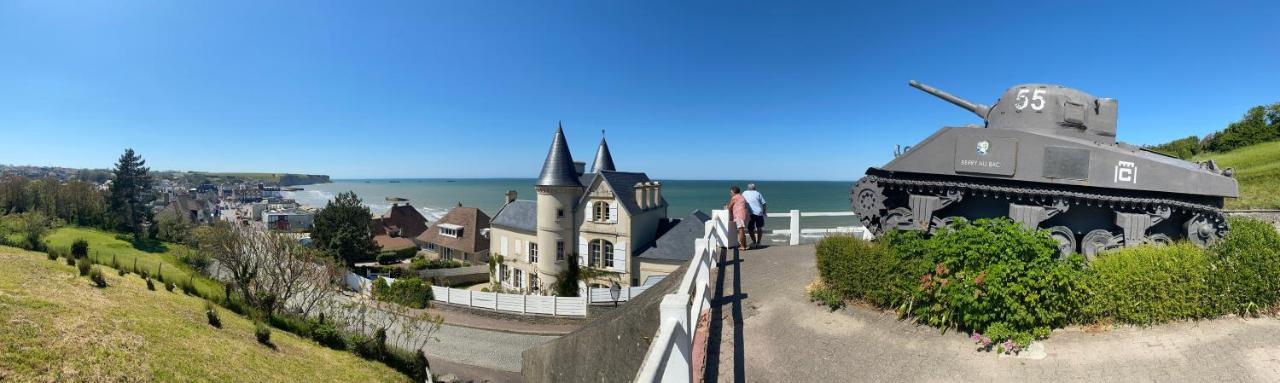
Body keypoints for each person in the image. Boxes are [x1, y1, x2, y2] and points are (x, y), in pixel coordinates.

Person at [741, 183, 767, 249]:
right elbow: (764, 203)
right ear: (754, 188)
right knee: (759, 228)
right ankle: (758, 242)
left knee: (750, 229)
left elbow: (741, 201)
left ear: (748, 188)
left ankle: (754, 242)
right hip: (759, 213)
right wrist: (764, 211)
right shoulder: (758, 193)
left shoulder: (744, 193)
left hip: (750, 213)